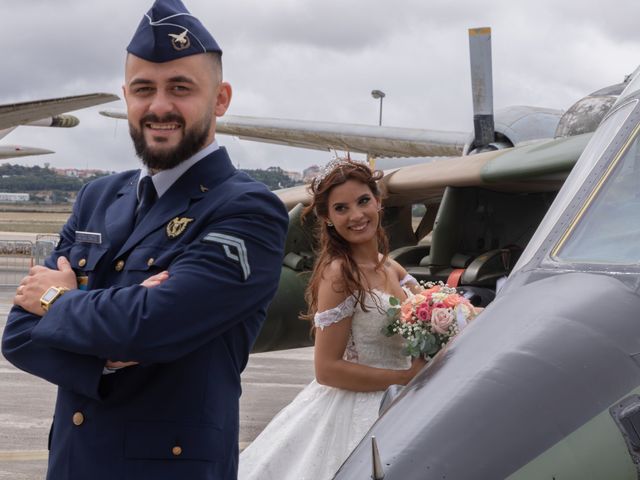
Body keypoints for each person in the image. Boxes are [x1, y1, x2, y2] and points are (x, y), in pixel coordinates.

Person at [1, 1, 288, 479]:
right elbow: (18, 335)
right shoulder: (97, 197)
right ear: (126, 97)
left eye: (180, 88)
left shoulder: (246, 209)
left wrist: (56, 300)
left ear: (220, 99)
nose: (159, 106)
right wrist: (111, 337)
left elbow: (149, 328)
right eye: (143, 89)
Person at [238, 159, 426, 480]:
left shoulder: (391, 267)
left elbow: (427, 315)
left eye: (363, 201)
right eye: (341, 208)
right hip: (361, 410)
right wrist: (405, 378)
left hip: (405, 401)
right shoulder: (340, 274)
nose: (356, 215)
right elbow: (326, 369)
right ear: (327, 218)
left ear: (378, 202)